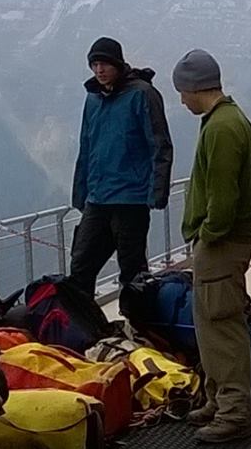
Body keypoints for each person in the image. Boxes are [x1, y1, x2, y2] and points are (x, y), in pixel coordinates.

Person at [172, 49, 251, 445]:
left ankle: (233, 411)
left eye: (182, 92)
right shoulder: (225, 120)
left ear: (193, 87)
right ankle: (215, 397)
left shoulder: (222, 128)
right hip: (222, 241)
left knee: (222, 325)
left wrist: (207, 234)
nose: (182, 100)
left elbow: (223, 196)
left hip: (221, 242)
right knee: (209, 322)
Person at [69, 37, 174, 300]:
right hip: (98, 197)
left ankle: (137, 327)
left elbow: (160, 145)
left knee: (132, 272)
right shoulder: (93, 99)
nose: (99, 70)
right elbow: (86, 146)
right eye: (94, 64)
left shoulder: (142, 94)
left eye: (104, 63)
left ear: (117, 63)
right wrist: (80, 192)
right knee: (81, 265)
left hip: (131, 199)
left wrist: (157, 192)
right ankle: (84, 327)